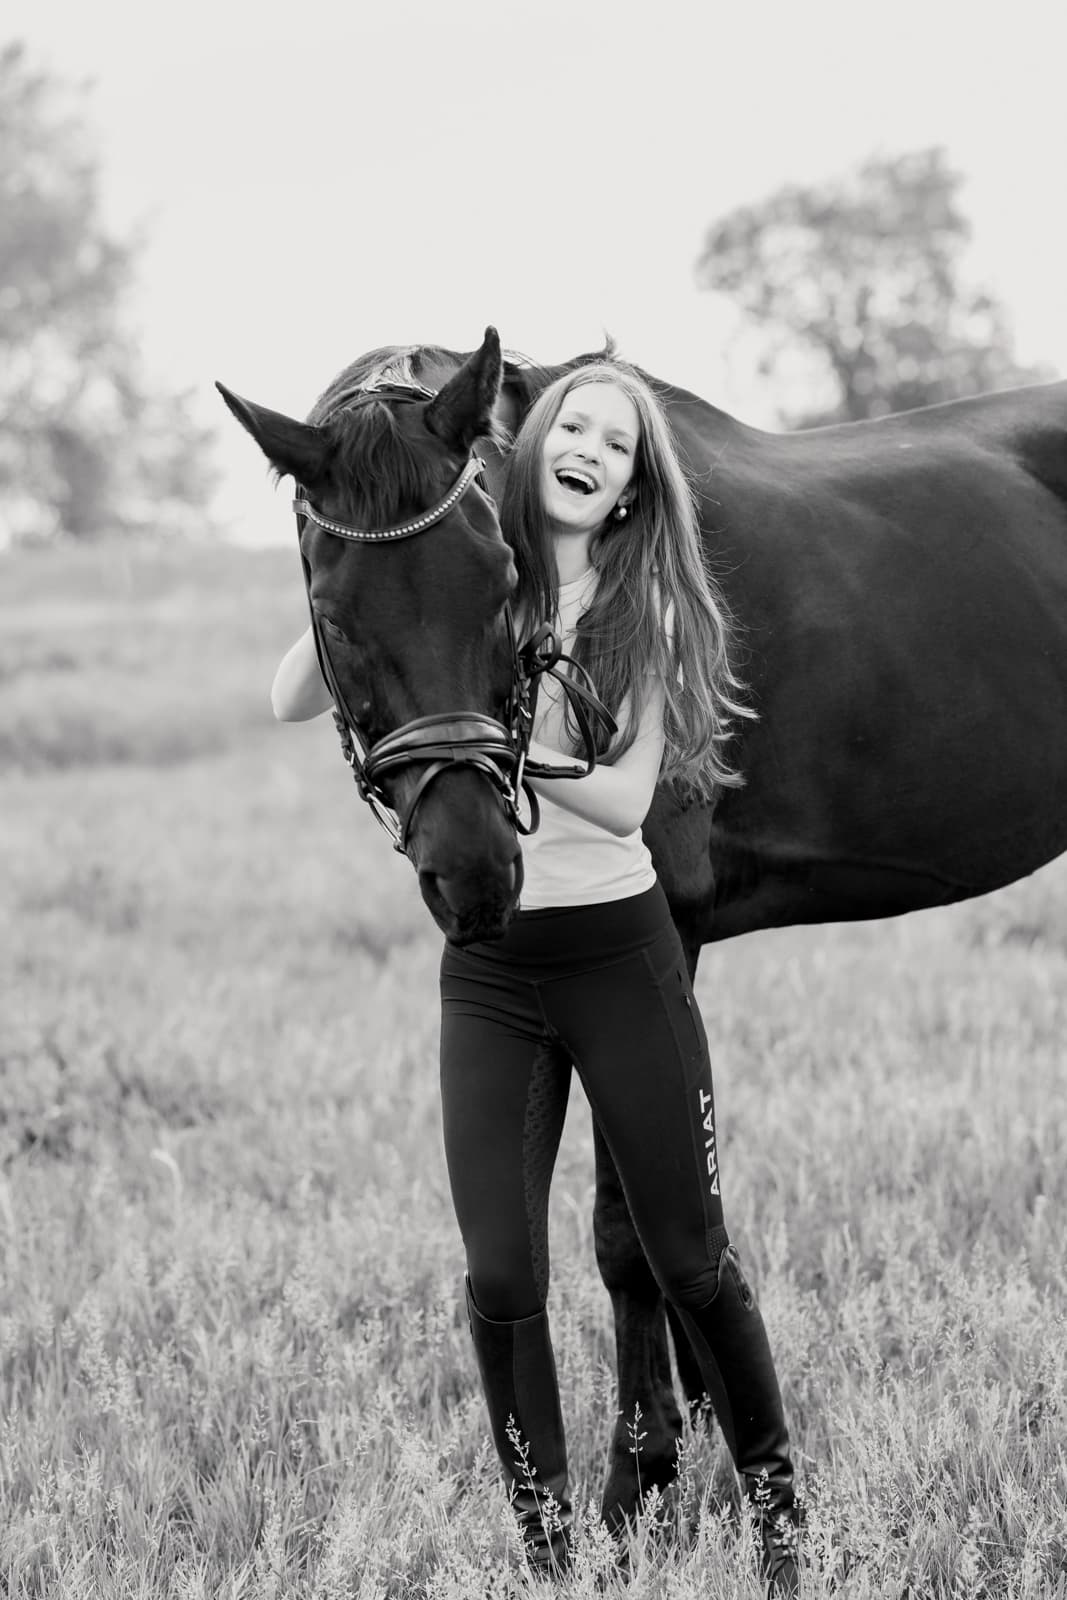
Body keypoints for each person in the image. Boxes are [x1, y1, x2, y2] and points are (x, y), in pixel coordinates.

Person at [271, 360, 802, 1596]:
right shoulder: (466, 557)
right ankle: (546, 1545)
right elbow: (291, 695)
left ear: (629, 486)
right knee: (501, 1270)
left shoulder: (646, 605)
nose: (587, 450)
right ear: (532, 440)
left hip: (618, 955)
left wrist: (503, 753)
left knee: (687, 1255)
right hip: (493, 975)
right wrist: (336, 559)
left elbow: (624, 798)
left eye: (615, 446)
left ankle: (779, 1513)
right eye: (574, 424)